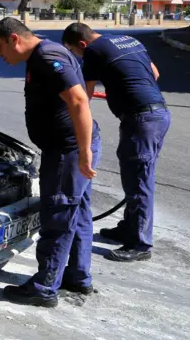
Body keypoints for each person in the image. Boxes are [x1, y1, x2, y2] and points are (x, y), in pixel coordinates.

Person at [0, 18, 101, 308]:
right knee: (77, 214)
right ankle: (77, 277)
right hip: (70, 148)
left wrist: (84, 151)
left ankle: (44, 287)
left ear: (14, 39)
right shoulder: (44, 53)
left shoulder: (47, 56)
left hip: (68, 151)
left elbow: (79, 101)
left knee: (58, 217)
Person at [62, 23, 170, 262]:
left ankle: (140, 244)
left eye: (75, 52)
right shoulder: (127, 39)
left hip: (141, 119)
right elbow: (154, 73)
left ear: (82, 44)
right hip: (156, 114)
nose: (78, 57)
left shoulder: (92, 51)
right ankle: (128, 228)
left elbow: (85, 96)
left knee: (139, 180)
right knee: (135, 176)